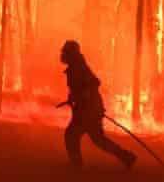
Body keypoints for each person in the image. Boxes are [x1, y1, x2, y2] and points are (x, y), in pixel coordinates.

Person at [58, 40, 136, 169]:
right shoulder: (75, 66)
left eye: (65, 51)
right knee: (98, 140)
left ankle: (76, 164)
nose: (62, 54)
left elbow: (94, 83)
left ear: (71, 53)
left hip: (88, 110)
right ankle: (126, 157)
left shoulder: (78, 67)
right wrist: (74, 97)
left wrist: (84, 96)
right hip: (87, 109)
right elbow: (80, 88)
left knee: (72, 135)